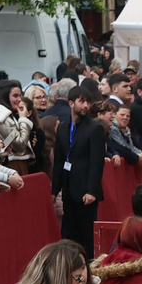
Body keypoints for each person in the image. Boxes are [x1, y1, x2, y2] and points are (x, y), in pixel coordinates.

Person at [52, 86, 106, 254]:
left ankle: (89, 267)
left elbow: (97, 163)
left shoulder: (94, 128)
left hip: (85, 191)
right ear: (71, 103)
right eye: (81, 101)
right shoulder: (62, 128)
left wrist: (91, 190)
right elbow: (59, 160)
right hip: (68, 189)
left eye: (88, 102)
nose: (85, 106)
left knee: (86, 236)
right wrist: (54, 190)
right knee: (68, 233)